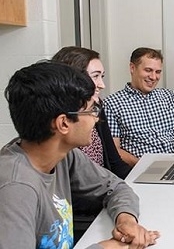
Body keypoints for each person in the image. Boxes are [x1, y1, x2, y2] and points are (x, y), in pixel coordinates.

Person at [0, 61, 159, 248]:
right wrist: (108, 247)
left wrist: (126, 220)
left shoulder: (64, 156)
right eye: (91, 110)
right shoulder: (16, 188)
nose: (97, 118)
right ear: (63, 123)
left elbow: (115, 187)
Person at [52, 46, 132, 242]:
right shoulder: (61, 138)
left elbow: (114, 165)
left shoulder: (96, 108)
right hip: (86, 215)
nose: (102, 84)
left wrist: (129, 195)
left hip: (106, 200)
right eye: (95, 76)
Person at [104, 47, 174, 166]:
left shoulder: (170, 96)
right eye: (148, 70)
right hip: (142, 169)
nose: (153, 77)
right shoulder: (112, 104)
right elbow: (114, 150)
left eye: (158, 72)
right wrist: (143, 165)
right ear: (132, 68)